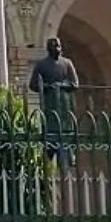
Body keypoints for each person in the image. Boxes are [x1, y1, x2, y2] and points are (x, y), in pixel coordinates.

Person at [28, 37, 79, 167]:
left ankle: (69, 152)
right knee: (50, 126)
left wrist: (61, 85)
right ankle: (50, 149)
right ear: (47, 49)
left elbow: (75, 84)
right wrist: (46, 86)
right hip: (49, 102)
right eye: (52, 46)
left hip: (64, 103)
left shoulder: (67, 63)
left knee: (66, 128)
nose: (55, 48)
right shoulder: (41, 65)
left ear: (61, 48)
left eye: (57, 46)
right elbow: (33, 85)